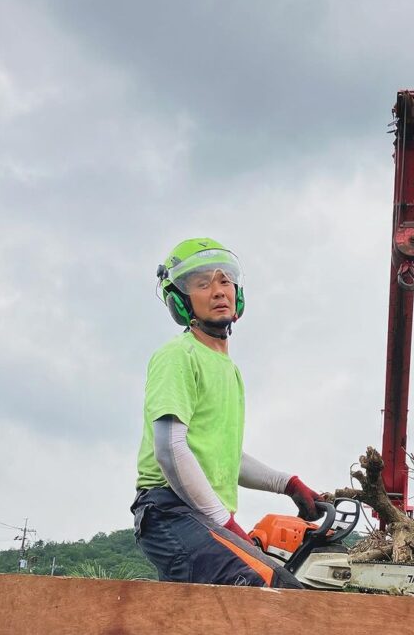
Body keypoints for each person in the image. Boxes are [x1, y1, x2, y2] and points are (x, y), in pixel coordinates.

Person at [132, 237, 323, 588]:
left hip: (197, 516)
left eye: (225, 281)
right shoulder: (178, 356)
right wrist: (225, 523)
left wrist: (288, 484)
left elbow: (224, 457)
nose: (218, 290)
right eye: (202, 283)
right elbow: (170, 449)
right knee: (275, 589)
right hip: (170, 512)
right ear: (179, 300)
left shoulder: (228, 370)